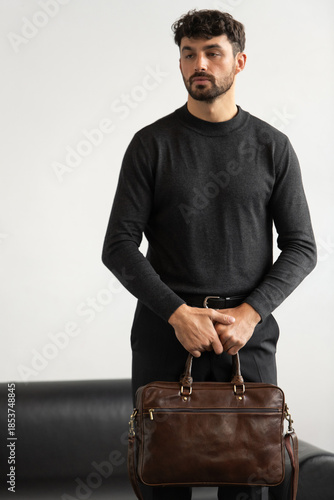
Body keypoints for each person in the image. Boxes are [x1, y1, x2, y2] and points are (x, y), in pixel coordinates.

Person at [102, 9, 317, 500]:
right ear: (179, 63)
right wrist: (177, 313)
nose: (199, 63)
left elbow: (302, 247)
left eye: (212, 53)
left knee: (245, 483)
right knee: (162, 479)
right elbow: (117, 245)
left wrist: (250, 313)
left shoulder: (272, 146)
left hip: (248, 340)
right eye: (189, 54)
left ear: (239, 62)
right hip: (165, 335)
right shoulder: (150, 145)